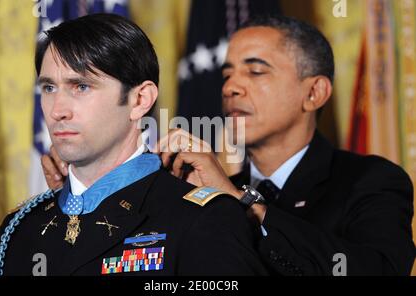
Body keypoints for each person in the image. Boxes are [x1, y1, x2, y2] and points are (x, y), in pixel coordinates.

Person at [42, 15, 416, 276]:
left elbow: (376, 271)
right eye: (226, 74)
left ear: (314, 92)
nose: (230, 87)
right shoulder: (202, 190)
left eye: (255, 71)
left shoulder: (371, 181)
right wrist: (84, 190)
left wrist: (243, 204)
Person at [0, 14, 267, 276]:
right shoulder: (20, 228)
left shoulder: (203, 218)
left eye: (81, 87)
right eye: (49, 88)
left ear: (140, 100)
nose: (57, 111)